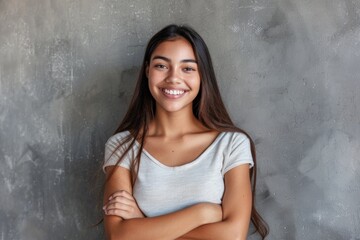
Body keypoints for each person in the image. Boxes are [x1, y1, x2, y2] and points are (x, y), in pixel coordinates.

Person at [102, 24, 269, 240]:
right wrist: (203, 213)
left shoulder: (232, 144)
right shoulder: (122, 146)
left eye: (188, 68)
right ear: (147, 71)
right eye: (161, 66)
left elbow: (232, 235)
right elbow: (119, 236)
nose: (173, 78)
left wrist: (142, 222)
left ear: (202, 75)